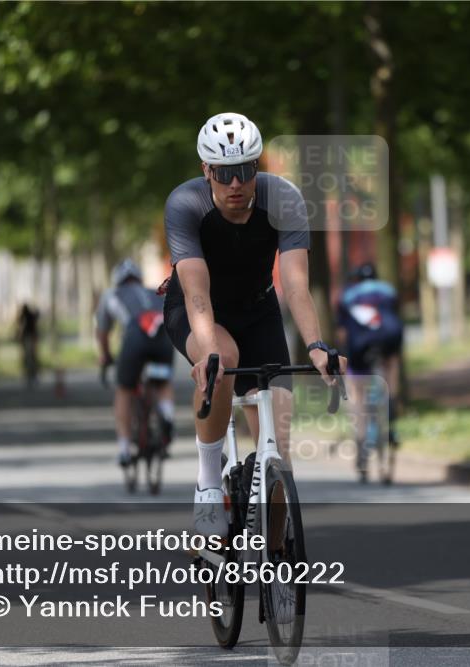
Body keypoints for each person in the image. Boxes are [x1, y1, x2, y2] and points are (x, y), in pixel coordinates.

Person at [162, 111, 346, 537]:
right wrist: (208, 354)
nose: (235, 184)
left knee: (279, 453)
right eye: (224, 173)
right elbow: (196, 295)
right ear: (206, 170)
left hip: (259, 310)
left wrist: (317, 345)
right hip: (197, 311)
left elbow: (297, 286)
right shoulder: (186, 204)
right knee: (223, 359)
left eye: (245, 171)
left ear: (257, 167)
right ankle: (209, 484)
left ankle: (276, 559)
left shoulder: (283, 199)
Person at [96, 258, 176, 469]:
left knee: (124, 389)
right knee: (162, 382)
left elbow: (103, 333)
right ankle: (167, 415)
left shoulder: (110, 295)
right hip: (163, 338)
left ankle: (123, 449)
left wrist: (105, 356)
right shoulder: (155, 292)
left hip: (135, 338)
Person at [335, 262, 404, 471]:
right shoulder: (389, 290)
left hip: (360, 344)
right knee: (391, 363)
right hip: (390, 338)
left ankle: (362, 438)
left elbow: (342, 333)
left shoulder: (347, 295)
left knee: (356, 391)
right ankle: (392, 401)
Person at [16, 303, 40, 388]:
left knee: (29, 358)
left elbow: (19, 326)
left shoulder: (25, 317)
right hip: (30, 339)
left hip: (29, 339)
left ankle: (30, 375)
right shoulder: (29, 317)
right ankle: (30, 375)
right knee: (30, 358)